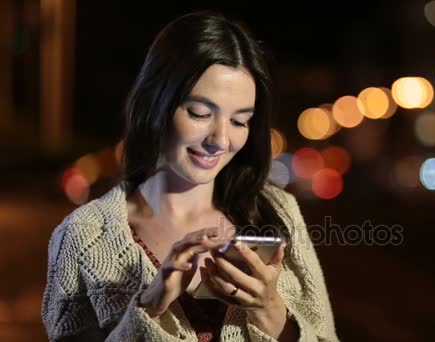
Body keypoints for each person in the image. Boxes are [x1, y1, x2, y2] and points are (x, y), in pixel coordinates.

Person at [41, 10, 338, 342]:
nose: (221, 140)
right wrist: (149, 306)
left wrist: (271, 312)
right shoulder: (82, 237)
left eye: (240, 121)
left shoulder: (279, 212)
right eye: (200, 113)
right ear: (156, 102)